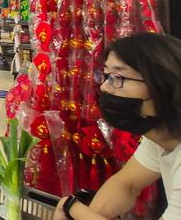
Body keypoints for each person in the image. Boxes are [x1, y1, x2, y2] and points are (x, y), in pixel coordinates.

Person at [54, 33, 181, 220]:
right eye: (106, 76)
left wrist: (72, 208)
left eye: (117, 77)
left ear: (162, 85)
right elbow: (126, 184)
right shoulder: (161, 136)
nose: (105, 87)